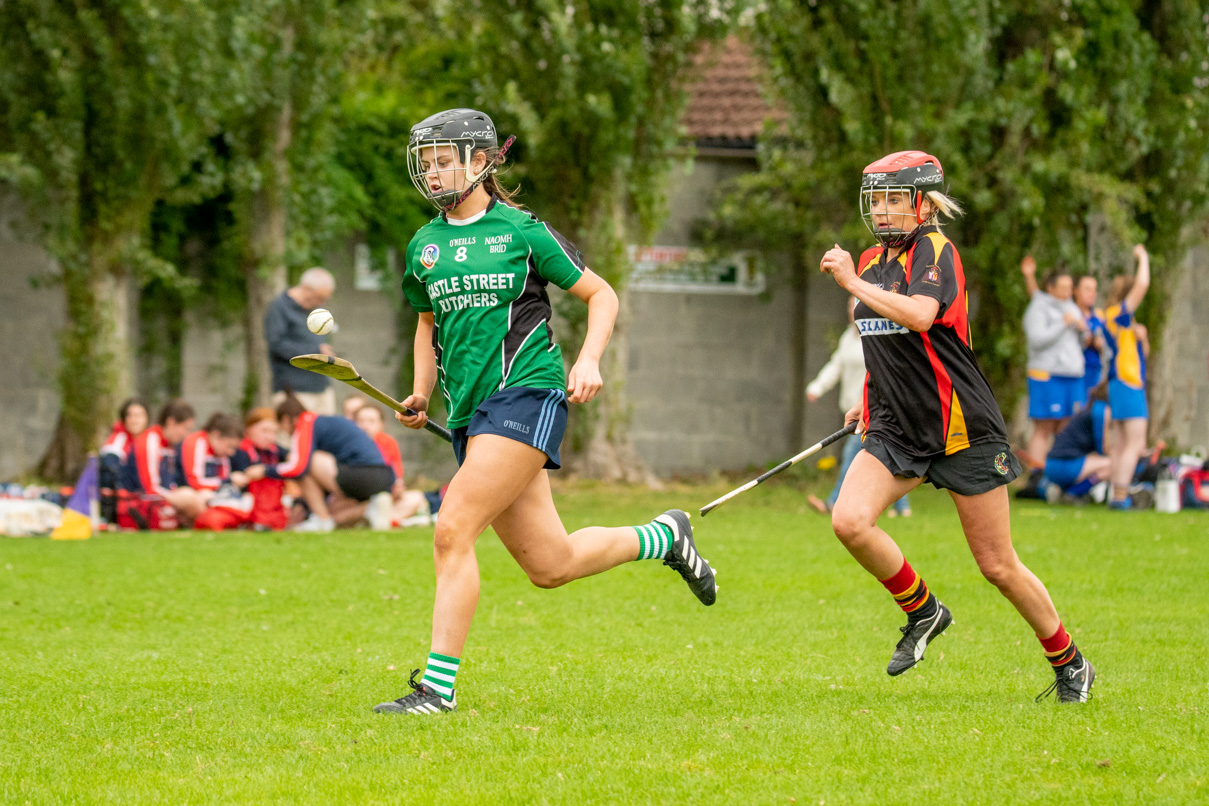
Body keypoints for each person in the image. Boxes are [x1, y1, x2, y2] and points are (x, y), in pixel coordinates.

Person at [373, 108, 717, 716]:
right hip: (471, 417)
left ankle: (436, 690)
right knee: (551, 565)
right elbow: (427, 326)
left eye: (444, 159)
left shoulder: (523, 232)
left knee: (452, 529)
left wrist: (588, 361)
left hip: (527, 396)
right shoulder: (423, 246)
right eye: (425, 162)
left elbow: (601, 294)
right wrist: (422, 392)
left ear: (480, 162)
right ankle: (665, 536)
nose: (432, 172)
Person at [818, 150, 1094, 703]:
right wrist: (868, 399)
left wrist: (850, 282)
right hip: (897, 427)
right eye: (879, 200)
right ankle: (923, 610)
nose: (886, 211)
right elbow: (882, 344)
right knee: (848, 521)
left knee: (998, 565)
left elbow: (919, 315)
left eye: (896, 199)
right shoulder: (872, 261)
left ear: (924, 203)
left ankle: (1070, 661)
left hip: (961, 425)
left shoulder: (936, 251)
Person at [806, 296, 910, 517]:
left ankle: (833, 501)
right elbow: (836, 365)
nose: (851, 312)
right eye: (849, 307)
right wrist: (817, 387)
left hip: (873, 411)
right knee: (888, 457)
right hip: (853, 410)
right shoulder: (847, 337)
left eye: (856, 307)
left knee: (851, 454)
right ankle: (903, 508)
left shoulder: (875, 337)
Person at [240, 394, 395, 531]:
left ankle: (322, 519)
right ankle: (368, 509)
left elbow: (298, 468)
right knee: (335, 514)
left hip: (360, 475)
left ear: (287, 420)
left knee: (303, 462)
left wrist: (264, 471)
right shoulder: (325, 423)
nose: (286, 434)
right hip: (380, 477)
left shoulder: (306, 422)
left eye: (282, 429)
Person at [1021, 266, 1086, 480]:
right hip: (1047, 375)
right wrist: (1062, 324)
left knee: (1065, 426)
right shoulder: (1038, 308)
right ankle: (1035, 475)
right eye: (1064, 287)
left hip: (1072, 375)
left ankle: (1055, 474)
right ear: (1051, 288)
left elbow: (1077, 342)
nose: (1068, 291)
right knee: (1044, 425)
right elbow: (1037, 340)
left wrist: (1085, 332)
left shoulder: (1072, 308)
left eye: (1070, 287)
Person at [1102, 245, 1151, 509]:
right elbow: (1142, 284)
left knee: (1122, 442)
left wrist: (1142, 338)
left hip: (1120, 383)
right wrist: (1143, 257)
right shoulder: (1118, 315)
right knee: (1136, 441)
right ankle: (1121, 495)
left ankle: (1117, 494)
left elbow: (1143, 356)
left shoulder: (1124, 324)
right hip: (1127, 383)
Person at [264, 267, 338, 415]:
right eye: (319, 297)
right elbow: (276, 345)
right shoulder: (280, 308)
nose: (321, 302)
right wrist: (315, 351)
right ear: (306, 289)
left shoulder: (315, 309)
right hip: (293, 391)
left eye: (324, 299)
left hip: (321, 388)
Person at [123, 398, 208, 523]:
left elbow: (169, 483)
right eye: (186, 428)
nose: (186, 434)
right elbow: (150, 489)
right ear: (171, 422)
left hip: (161, 501)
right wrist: (180, 497)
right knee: (192, 501)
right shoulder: (149, 441)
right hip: (141, 506)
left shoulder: (169, 444)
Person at [355, 403, 431, 527]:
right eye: (361, 421)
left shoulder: (388, 443)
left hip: (386, 496)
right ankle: (389, 519)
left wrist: (397, 487)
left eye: (371, 421)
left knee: (416, 498)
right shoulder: (349, 445)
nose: (365, 426)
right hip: (359, 499)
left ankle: (380, 519)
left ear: (381, 424)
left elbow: (397, 476)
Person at [1044, 385, 1113, 501]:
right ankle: (1074, 492)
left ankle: (1062, 491)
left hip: (1052, 464)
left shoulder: (1091, 407)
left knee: (1110, 462)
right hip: (1064, 464)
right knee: (1115, 464)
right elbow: (1102, 446)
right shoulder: (1101, 410)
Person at [227, 407, 289, 531]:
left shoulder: (276, 451)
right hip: (245, 503)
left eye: (273, 432)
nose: (269, 437)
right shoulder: (240, 451)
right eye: (264, 431)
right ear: (249, 430)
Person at [98, 398, 149, 523]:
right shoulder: (117, 442)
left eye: (139, 416)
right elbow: (110, 475)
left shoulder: (149, 441)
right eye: (130, 416)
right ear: (124, 420)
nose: (135, 420)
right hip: (125, 502)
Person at [178, 413, 243, 492]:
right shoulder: (198, 442)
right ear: (216, 435)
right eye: (229, 446)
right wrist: (229, 481)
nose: (231, 452)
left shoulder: (220, 452)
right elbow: (194, 482)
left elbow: (224, 477)